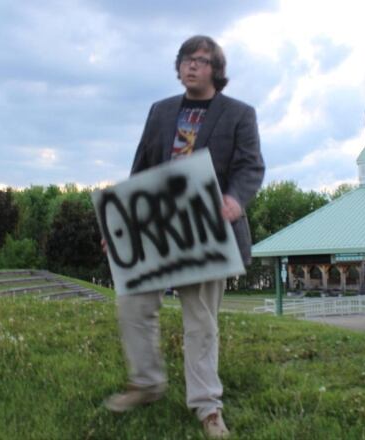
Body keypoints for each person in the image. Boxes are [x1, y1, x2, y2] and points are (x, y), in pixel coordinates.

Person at [103, 35, 264, 439]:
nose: (192, 66)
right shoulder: (159, 112)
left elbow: (251, 167)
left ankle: (208, 408)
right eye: (186, 60)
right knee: (133, 306)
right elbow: (141, 169)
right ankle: (147, 383)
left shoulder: (239, 114)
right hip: (156, 227)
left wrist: (235, 199)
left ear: (216, 70)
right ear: (178, 67)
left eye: (202, 60)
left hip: (208, 229)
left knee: (200, 321)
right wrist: (120, 226)